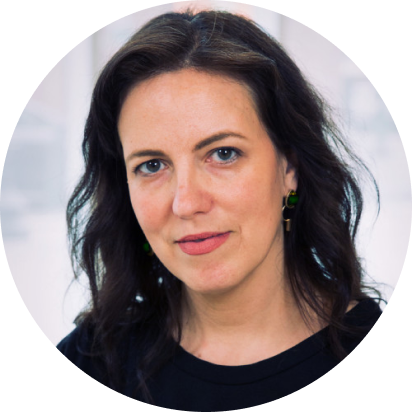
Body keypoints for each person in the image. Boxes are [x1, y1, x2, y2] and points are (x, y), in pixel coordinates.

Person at [57, 9, 383, 410]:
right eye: (151, 165)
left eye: (223, 154)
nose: (187, 203)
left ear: (290, 168)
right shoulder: (93, 359)